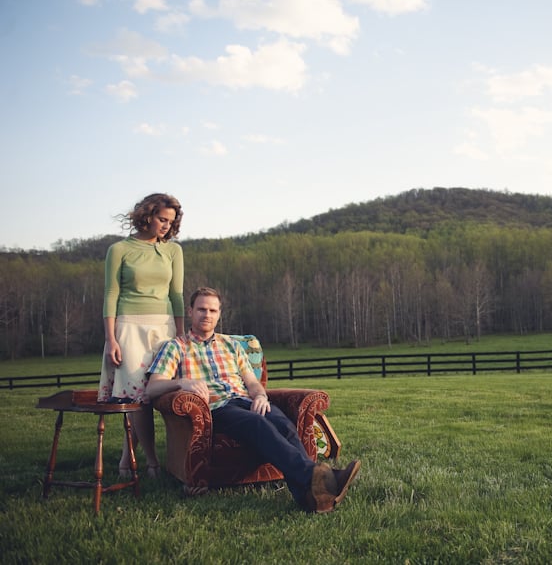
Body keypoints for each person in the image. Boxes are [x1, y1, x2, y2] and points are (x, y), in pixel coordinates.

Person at [146, 287, 361, 513]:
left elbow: (251, 381)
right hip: (216, 408)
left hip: (247, 400)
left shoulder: (231, 345)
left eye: (212, 310)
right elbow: (152, 388)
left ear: (219, 313)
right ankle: (324, 478)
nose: (206, 314)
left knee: (284, 426)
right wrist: (182, 383)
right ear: (190, 311)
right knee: (256, 424)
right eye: (201, 309)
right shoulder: (176, 347)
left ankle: (311, 497)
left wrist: (259, 395)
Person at [97, 193, 185, 479]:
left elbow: (177, 295)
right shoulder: (119, 249)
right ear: (147, 215)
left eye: (170, 222)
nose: (166, 226)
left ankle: (126, 461)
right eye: (162, 219)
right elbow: (111, 294)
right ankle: (152, 463)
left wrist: (182, 336)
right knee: (139, 397)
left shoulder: (174, 251)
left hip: (165, 328)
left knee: (160, 391)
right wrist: (111, 339)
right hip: (129, 328)